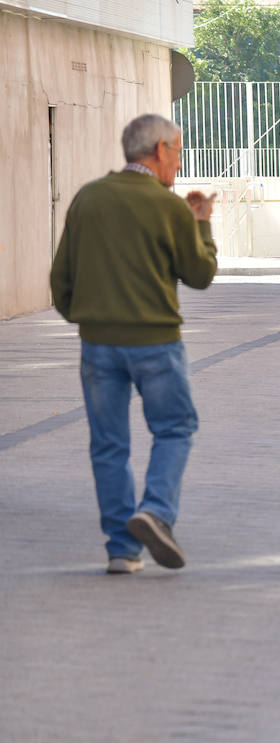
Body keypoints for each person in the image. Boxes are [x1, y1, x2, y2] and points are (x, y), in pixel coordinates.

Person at [49, 113, 218, 574]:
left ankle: (122, 549)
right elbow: (200, 275)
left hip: (98, 344)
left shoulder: (88, 198)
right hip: (156, 342)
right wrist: (201, 223)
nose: (178, 165)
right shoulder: (168, 207)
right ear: (160, 150)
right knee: (174, 429)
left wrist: (89, 320)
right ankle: (157, 512)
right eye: (178, 153)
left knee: (109, 445)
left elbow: (60, 280)